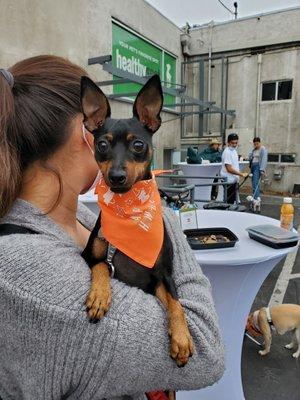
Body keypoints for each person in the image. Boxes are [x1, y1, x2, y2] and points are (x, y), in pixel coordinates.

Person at [0, 56, 224, 399]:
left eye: (134, 148)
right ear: (87, 131)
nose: (119, 166)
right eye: (106, 146)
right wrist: (155, 204)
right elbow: (206, 352)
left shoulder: (85, 218)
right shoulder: (29, 274)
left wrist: (146, 205)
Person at [220, 133, 248, 204]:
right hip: (228, 180)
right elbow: (229, 168)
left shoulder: (234, 151)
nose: (235, 145)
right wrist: (241, 174)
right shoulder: (227, 152)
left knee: (233, 200)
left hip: (233, 179)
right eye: (232, 143)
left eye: (236, 143)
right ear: (228, 142)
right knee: (229, 201)